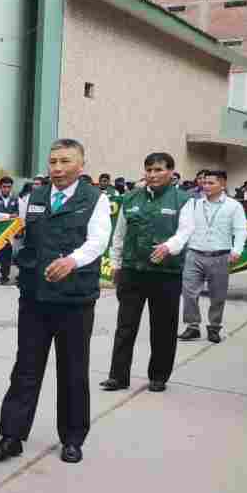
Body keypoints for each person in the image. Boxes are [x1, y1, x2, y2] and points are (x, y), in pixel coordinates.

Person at [0, 139, 110, 465]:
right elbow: (16, 232)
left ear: (80, 165)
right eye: (53, 161)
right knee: (26, 368)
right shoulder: (33, 197)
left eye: (65, 162)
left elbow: (99, 240)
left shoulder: (96, 200)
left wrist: (73, 261)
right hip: (35, 298)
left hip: (75, 300)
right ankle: (12, 435)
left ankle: (72, 438)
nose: (57, 168)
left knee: (73, 371)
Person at [99, 152, 190, 393]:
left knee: (163, 328)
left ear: (171, 172)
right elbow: (119, 234)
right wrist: (116, 264)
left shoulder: (184, 200)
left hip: (166, 274)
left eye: (159, 170)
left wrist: (168, 247)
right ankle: (118, 376)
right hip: (132, 272)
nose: (153, 175)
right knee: (125, 326)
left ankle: (158, 376)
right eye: (149, 170)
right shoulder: (130, 198)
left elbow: (186, 233)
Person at [176, 169, 247, 344]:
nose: (205, 186)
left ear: (222, 184)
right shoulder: (195, 204)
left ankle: (214, 327)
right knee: (189, 293)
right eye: (204, 182)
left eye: (211, 183)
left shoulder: (233, 206)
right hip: (194, 254)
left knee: (217, 295)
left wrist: (236, 250)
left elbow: (240, 230)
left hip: (220, 256)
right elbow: (185, 228)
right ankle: (192, 326)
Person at [0, 176, 20, 285]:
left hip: (10, 232)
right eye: (4, 187)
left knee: (7, 254)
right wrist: (9, 216)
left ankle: (5, 277)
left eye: (9, 187)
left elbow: (20, 214)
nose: (6, 189)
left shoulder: (16, 198)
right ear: (0, 187)